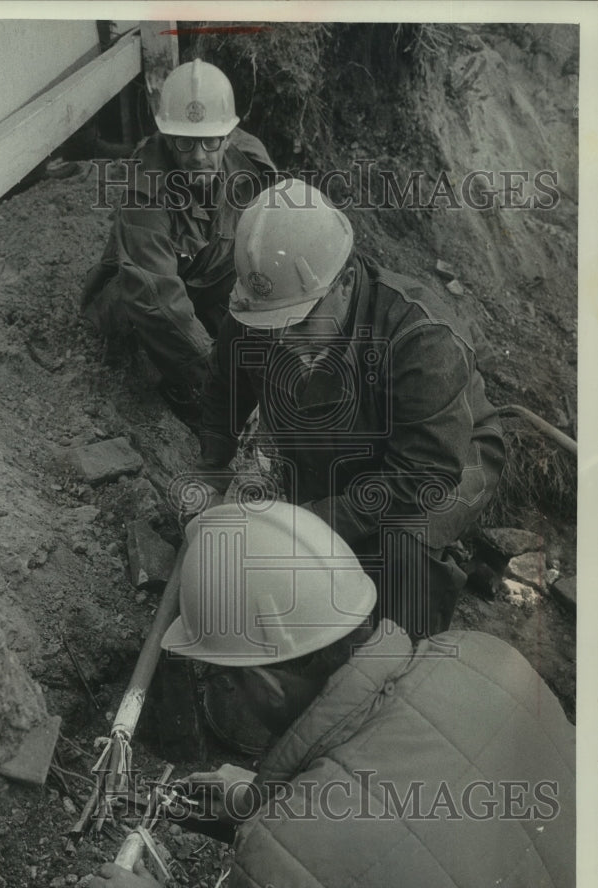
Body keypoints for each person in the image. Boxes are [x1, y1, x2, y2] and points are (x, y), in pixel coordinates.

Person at [80, 501, 575, 888]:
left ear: (267, 686)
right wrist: (269, 802)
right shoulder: (486, 658)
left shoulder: (276, 868)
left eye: (226, 679)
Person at [188, 178, 506, 639]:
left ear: (347, 284)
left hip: (446, 459)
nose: (279, 340)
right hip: (341, 452)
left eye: (297, 325)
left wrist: (315, 521)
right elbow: (224, 387)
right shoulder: (267, 307)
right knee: (303, 555)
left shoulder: (422, 337)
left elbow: (424, 471)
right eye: (270, 325)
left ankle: (407, 657)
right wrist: (211, 464)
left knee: (402, 542)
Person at [81, 59, 275, 426]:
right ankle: (178, 382)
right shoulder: (146, 190)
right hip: (149, 301)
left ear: (230, 136)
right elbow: (156, 295)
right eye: (185, 143)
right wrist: (224, 381)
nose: (199, 155)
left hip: (211, 282)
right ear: (168, 139)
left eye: (210, 141)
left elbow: (276, 238)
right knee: (134, 312)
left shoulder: (251, 164)